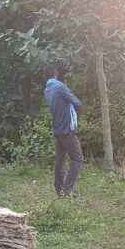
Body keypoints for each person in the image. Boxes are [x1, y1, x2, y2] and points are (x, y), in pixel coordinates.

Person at [43, 64, 84, 197]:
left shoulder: (47, 90)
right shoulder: (60, 87)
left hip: (57, 129)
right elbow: (77, 103)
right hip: (67, 129)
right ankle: (67, 191)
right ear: (56, 73)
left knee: (60, 160)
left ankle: (59, 189)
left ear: (45, 76)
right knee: (77, 158)